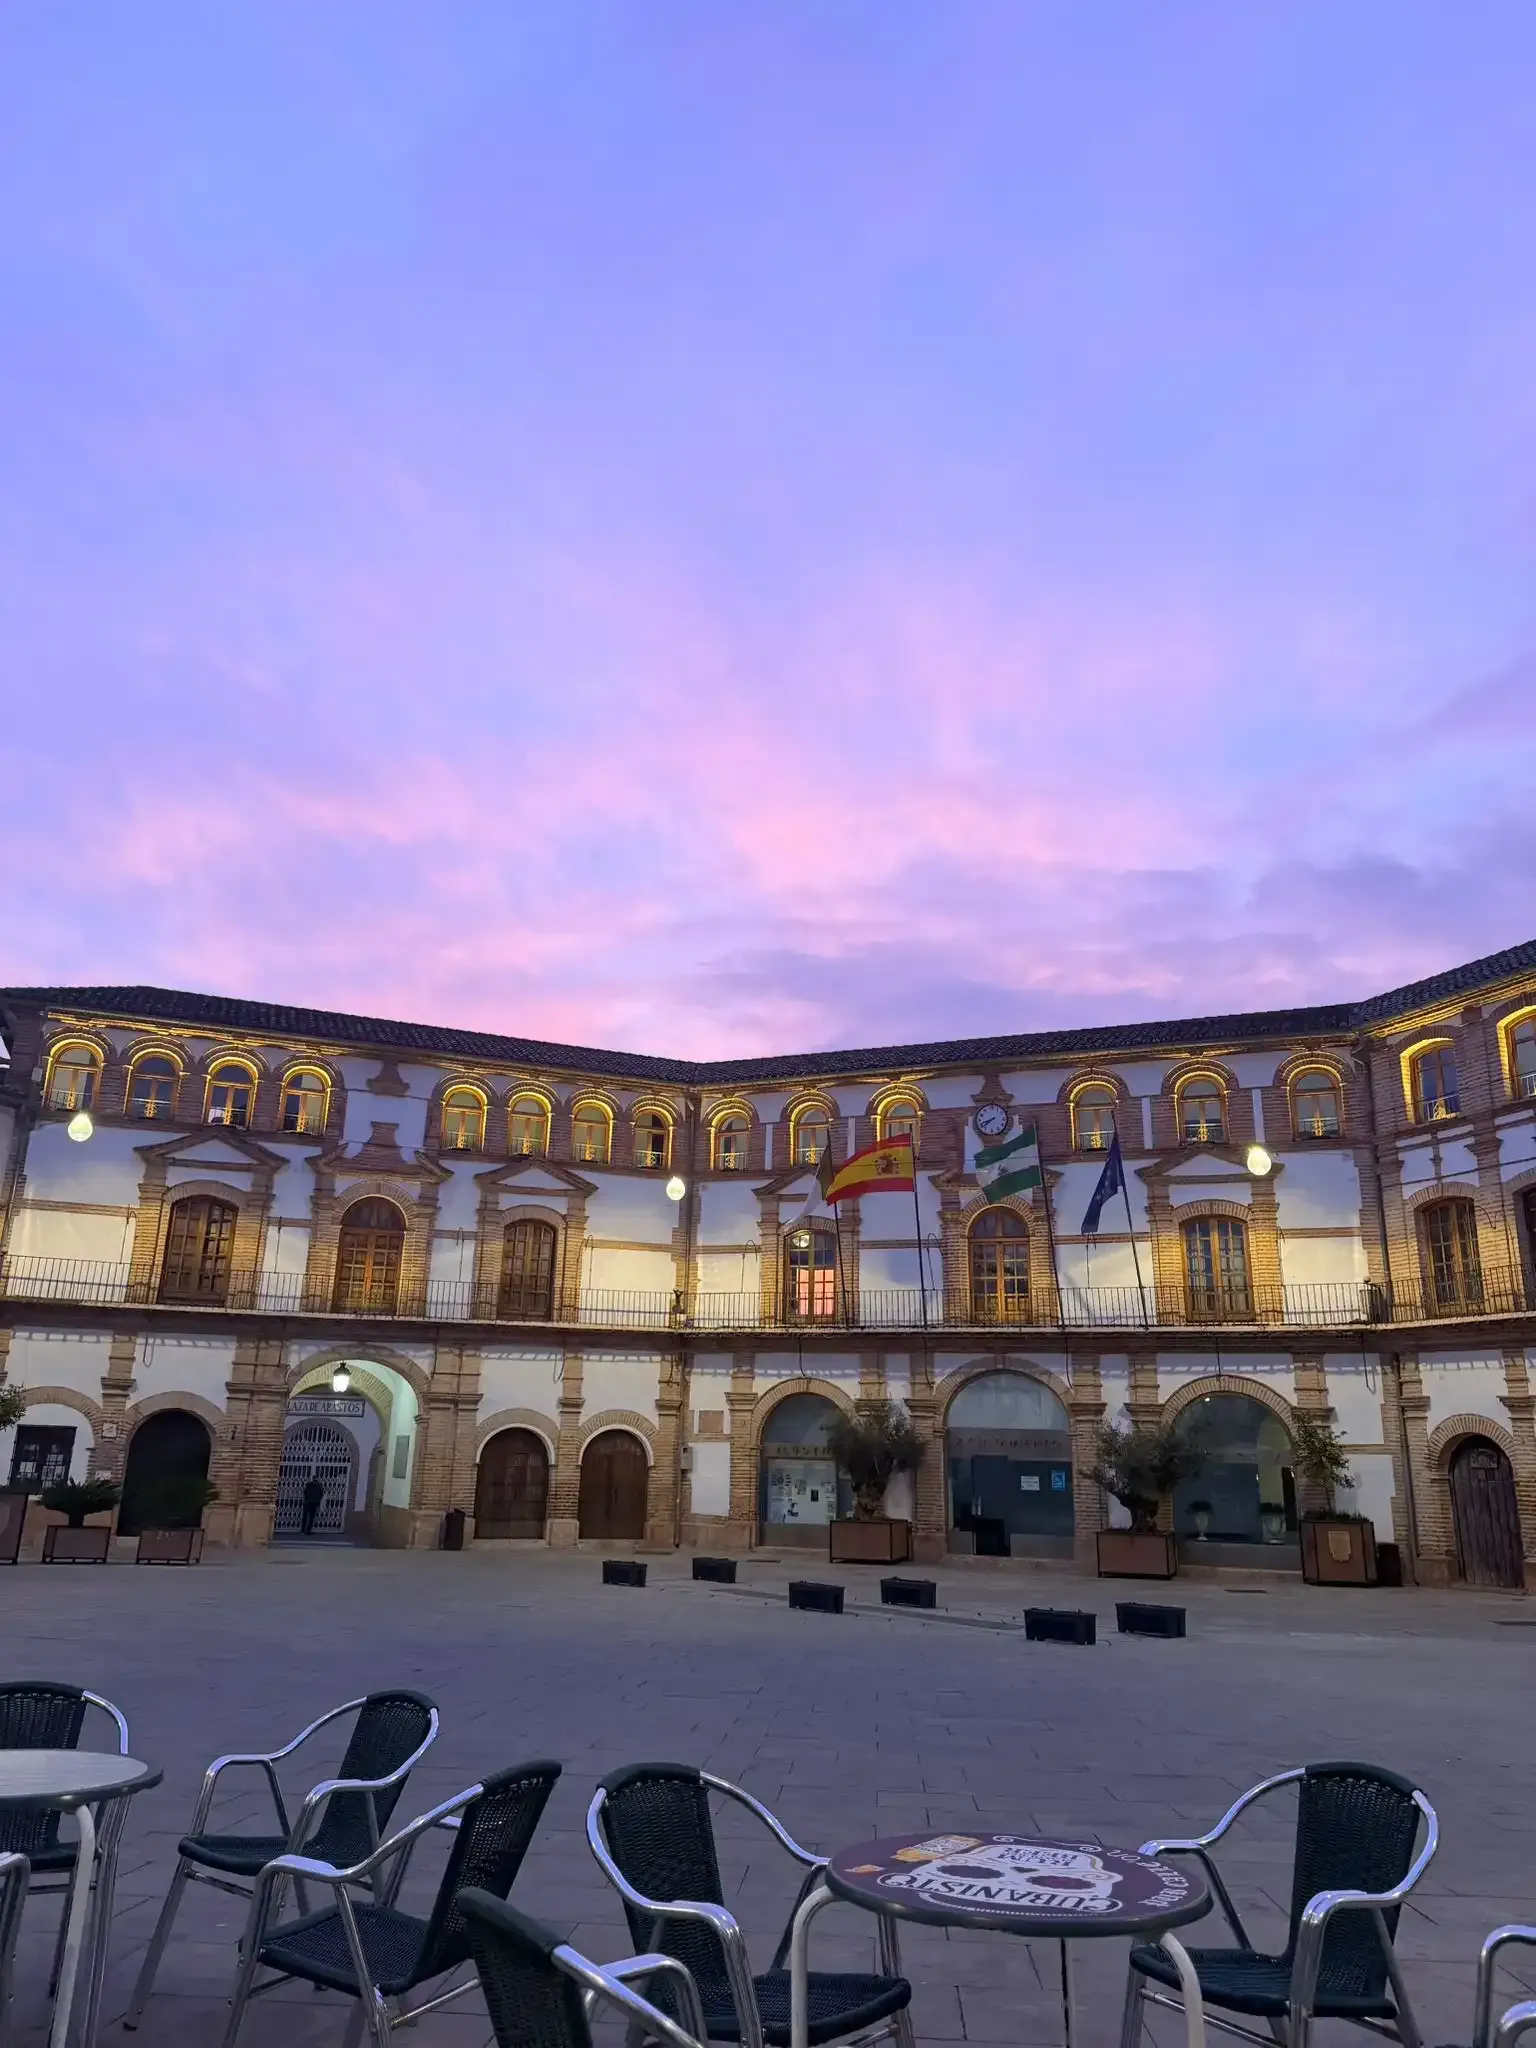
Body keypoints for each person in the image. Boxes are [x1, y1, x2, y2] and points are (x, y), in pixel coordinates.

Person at [299, 1471, 326, 1537]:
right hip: (314, 1503)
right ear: (317, 1479)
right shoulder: (319, 1485)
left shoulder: (308, 1484)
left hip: (307, 1502)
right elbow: (322, 1494)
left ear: (312, 1479)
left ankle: (302, 1529)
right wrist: (318, 1500)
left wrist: (306, 1498)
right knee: (311, 1517)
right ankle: (308, 1531)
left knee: (305, 1516)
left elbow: (305, 1492)